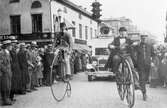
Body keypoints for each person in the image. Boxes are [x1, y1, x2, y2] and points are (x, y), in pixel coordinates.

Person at [135, 34, 154, 101]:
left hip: (148, 65)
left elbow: (153, 55)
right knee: (142, 79)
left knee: (145, 79)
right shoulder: (137, 46)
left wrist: (152, 62)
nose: (144, 39)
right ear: (141, 39)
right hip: (140, 65)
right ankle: (144, 94)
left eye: (145, 38)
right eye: (142, 38)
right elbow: (135, 55)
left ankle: (141, 86)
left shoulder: (150, 46)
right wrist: (136, 64)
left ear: (147, 39)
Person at [0, 40, 13, 105]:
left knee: (9, 86)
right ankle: (5, 100)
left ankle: (7, 99)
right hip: (4, 73)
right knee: (5, 86)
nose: (11, 46)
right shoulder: (2, 53)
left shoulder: (8, 52)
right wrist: (5, 71)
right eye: (10, 45)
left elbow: (9, 63)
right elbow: (1, 64)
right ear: (6, 46)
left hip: (9, 72)